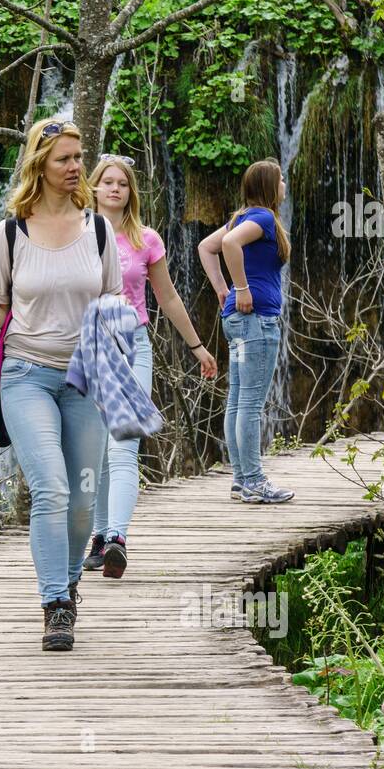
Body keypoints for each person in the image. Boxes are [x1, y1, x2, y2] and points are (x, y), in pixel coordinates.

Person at [0, 117, 122, 651]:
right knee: (51, 489)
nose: (76, 166)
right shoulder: (11, 231)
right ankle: (56, 603)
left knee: (82, 501)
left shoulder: (98, 229)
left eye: (80, 156)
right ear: (40, 163)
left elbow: (113, 301)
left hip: (85, 378)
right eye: (65, 158)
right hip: (25, 373)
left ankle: (72, 582)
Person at [82, 154, 218, 578]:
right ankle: (100, 535)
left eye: (122, 183)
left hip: (133, 346)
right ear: (95, 188)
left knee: (124, 446)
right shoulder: (77, 234)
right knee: (96, 451)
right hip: (90, 348)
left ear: (130, 192)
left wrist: (196, 345)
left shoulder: (147, 240)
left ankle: (117, 539)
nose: (115, 188)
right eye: (108, 182)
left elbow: (169, 297)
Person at [197, 158, 295, 504]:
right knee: (250, 404)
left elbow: (205, 247)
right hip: (256, 322)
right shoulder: (264, 218)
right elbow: (227, 246)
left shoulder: (241, 217)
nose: (285, 185)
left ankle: (241, 480)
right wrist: (239, 288)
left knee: (238, 400)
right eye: (281, 180)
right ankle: (254, 480)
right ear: (270, 187)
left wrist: (222, 289)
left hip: (237, 322)